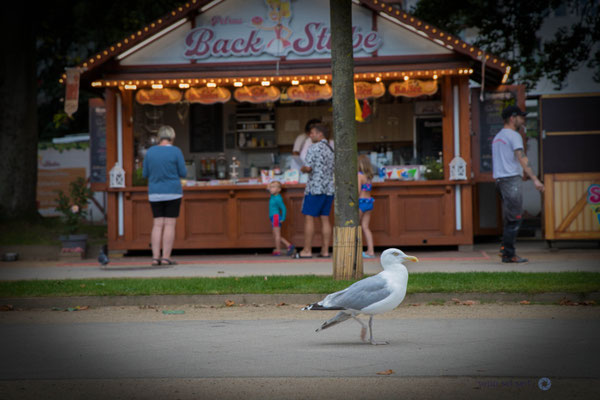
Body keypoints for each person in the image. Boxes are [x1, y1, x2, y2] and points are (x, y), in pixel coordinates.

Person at [492, 105, 544, 263]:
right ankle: (509, 254)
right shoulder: (514, 136)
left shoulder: (498, 137)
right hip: (511, 181)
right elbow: (522, 158)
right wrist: (535, 178)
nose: (523, 120)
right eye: (521, 117)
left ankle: (504, 249)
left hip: (500, 181)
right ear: (512, 118)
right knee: (515, 218)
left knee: (510, 217)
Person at [142, 125, 187, 266]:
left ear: (159, 137)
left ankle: (155, 257)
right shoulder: (176, 152)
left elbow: (145, 174)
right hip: (173, 192)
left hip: (155, 193)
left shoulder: (150, 152)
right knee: (169, 224)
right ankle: (166, 257)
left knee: (157, 224)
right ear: (172, 137)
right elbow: (183, 173)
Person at [294, 123, 335, 258]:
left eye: (312, 133)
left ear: (320, 134)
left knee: (309, 218)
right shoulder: (331, 148)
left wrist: (302, 168)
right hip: (328, 188)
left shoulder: (314, 147)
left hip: (315, 188)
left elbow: (309, 167)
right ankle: (325, 250)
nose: (310, 135)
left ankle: (307, 250)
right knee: (325, 218)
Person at [268, 180, 295, 256]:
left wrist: (283, 218)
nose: (271, 189)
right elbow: (268, 187)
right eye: (271, 187)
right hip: (272, 217)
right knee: (275, 235)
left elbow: (284, 208)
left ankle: (278, 250)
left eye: (273, 187)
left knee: (277, 235)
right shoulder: (273, 195)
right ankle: (289, 245)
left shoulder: (278, 198)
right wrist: (270, 184)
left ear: (279, 190)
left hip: (276, 217)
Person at [357, 155, 375, 258]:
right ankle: (370, 251)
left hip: (361, 202)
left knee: (356, 227)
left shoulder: (359, 175)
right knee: (365, 227)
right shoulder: (369, 176)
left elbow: (358, 191)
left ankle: (356, 249)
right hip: (369, 202)